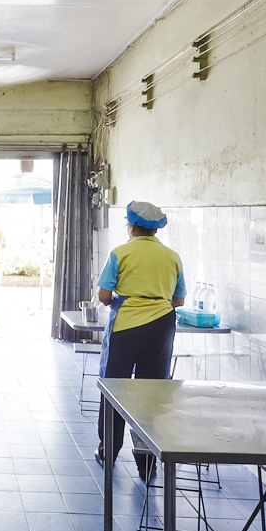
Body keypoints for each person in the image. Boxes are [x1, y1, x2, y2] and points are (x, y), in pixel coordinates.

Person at [94, 201, 186, 481]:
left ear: (132, 225)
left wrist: (122, 297)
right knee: (151, 392)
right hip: (161, 327)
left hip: (127, 325)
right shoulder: (172, 256)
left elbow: (103, 296)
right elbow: (178, 300)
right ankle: (147, 463)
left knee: (114, 387)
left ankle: (108, 451)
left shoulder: (121, 253)